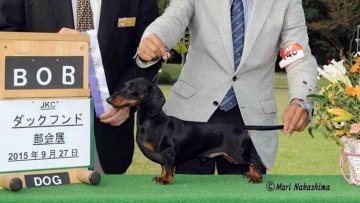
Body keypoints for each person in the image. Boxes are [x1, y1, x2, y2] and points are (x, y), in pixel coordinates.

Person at [137, 0, 318, 174]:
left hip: (250, 123)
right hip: (190, 120)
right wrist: (154, 38)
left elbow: (298, 55)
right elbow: (173, 19)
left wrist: (301, 100)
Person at [0, 0, 160, 174]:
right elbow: (6, 38)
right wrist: (47, 47)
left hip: (108, 138)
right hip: (38, 137)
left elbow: (149, 54)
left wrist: (126, 101)